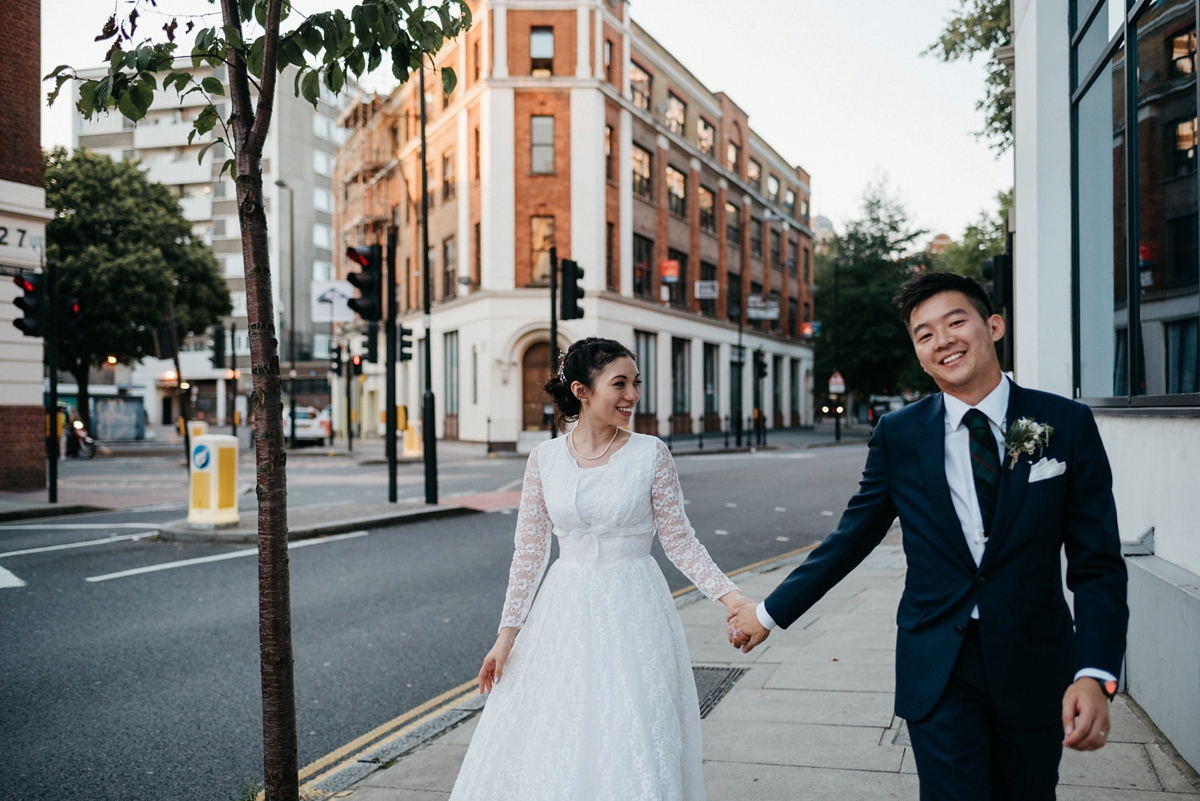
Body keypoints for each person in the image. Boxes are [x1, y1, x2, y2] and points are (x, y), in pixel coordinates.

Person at [728, 272, 1128, 800]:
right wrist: (768, 613)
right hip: (939, 662)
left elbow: (1097, 565)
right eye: (924, 334)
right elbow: (854, 535)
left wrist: (1095, 672)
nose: (943, 341)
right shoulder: (899, 435)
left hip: (1033, 660)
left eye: (955, 322)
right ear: (918, 353)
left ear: (994, 325)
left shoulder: (1066, 424)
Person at [450, 337, 753, 801]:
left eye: (636, 383)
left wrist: (733, 601)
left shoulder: (651, 454)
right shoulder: (543, 459)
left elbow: (680, 541)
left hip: (634, 606)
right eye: (620, 384)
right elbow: (529, 554)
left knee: (630, 727)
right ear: (582, 391)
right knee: (560, 728)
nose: (632, 395)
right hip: (564, 610)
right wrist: (506, 636)